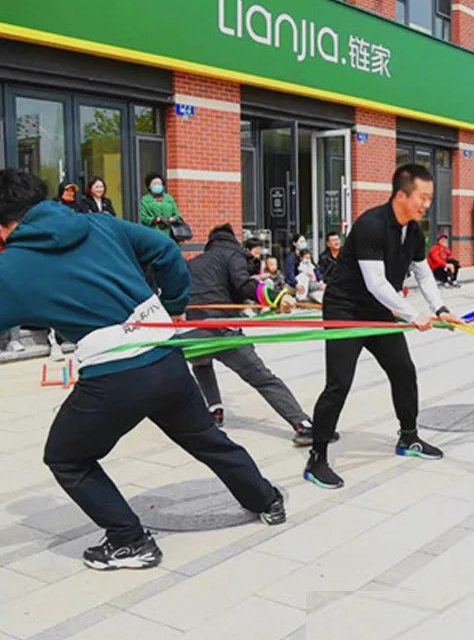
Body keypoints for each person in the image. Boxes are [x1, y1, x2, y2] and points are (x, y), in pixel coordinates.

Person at [0, 169, 284, 571]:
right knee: (205, 437)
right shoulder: (98, 222)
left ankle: (129, 540)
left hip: (114, 378)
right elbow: (167, 252)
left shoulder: (13, 266)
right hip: (165, 356)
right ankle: (267, 500)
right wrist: (174, 305)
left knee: (66, 457)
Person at [306, 163, 460, 489]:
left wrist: (440, 308)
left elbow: (422, 273)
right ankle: (316, 458)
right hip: (345, 310)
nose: (427, 204)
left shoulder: (415, 230)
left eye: (430, 198)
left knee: (403, 370)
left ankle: (409, 438)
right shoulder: (371, 225)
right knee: (339, 383)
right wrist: (411, 314)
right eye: (423, 197)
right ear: (402, 195)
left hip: (380, 311)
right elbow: (376, 282)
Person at [186, 224, 318, 442]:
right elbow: (244, 284)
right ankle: (302, 424)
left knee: (201, 363)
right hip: (224, 331)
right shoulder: (233, 255)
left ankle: (215, 410)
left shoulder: (195, 262)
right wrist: (276, 297)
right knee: (263, 379)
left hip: (193, 332)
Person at [140, 174, 182, 238]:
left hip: (170, 233)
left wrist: (172, 219)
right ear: (149, 186)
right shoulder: (145, 200)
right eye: (154, 184)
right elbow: (144, 218)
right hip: (153, 233)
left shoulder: (169, 198)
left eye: (159, 184)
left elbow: (177, 215)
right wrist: (157, 219)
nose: (157, 186)